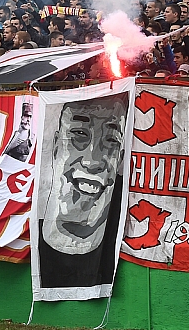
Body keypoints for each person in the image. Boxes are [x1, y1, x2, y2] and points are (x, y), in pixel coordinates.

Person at [37, 93, 128, 289]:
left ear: (120, 157)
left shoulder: (127, 235)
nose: (92, 161)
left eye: (111, 140)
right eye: (79, 134)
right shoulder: (24, 229)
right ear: (56, 146)